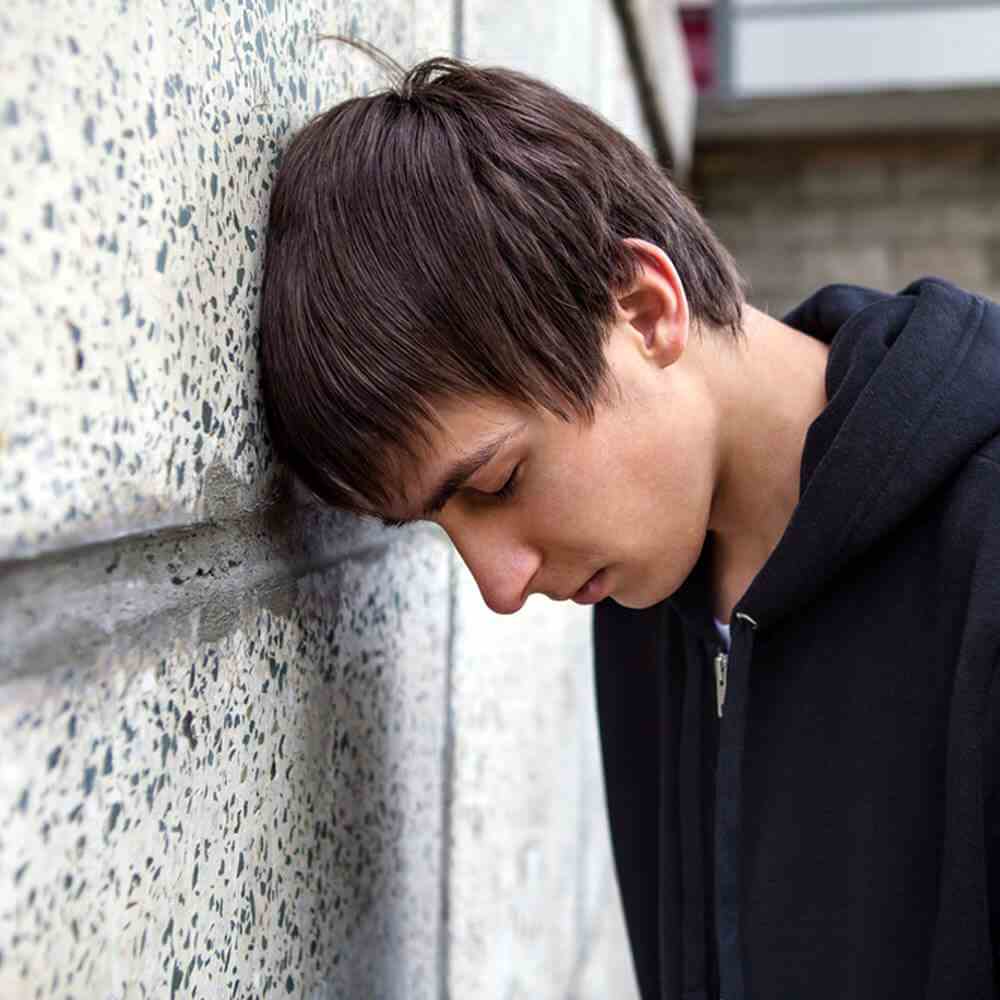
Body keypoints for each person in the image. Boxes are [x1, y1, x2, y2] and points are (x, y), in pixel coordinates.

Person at [258, 49, 1000, 1000]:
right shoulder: (650, 587)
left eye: (496, 479)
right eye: (437, 524)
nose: (498, 584)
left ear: (646, 310)